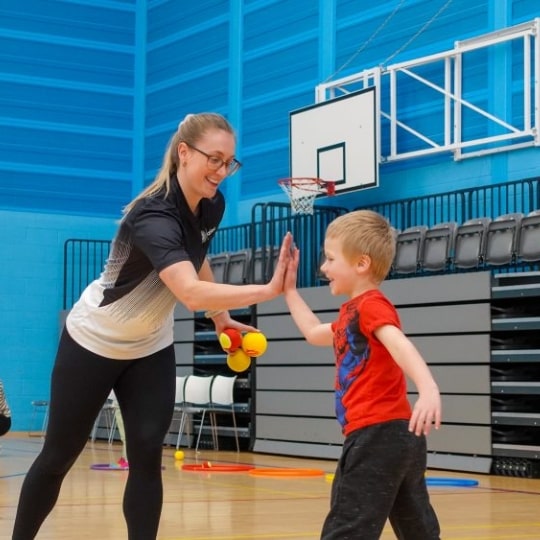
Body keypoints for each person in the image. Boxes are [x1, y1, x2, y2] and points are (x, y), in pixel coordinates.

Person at [12, 112, 292, 540]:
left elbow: (196, 259)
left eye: (229, 162)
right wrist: (268, 289)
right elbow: (190, 292)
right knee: (58, 455)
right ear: (184, 153)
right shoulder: (152, 215)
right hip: (93, 341)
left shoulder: (210, 204)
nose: (221, 171)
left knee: (146, 454)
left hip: (149, 346)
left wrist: (223, 318)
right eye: (213, 159)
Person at [283, 209, 442, 540]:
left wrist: (427, 388)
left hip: (376, 436)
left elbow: (399, 344)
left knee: (347, 527)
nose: (323, 268)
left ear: (361, 264)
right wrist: (290, 292)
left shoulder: (371, 306)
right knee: (418, 530)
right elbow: (314, 333)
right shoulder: (350, 315)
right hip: (402, 437)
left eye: (329, 259)